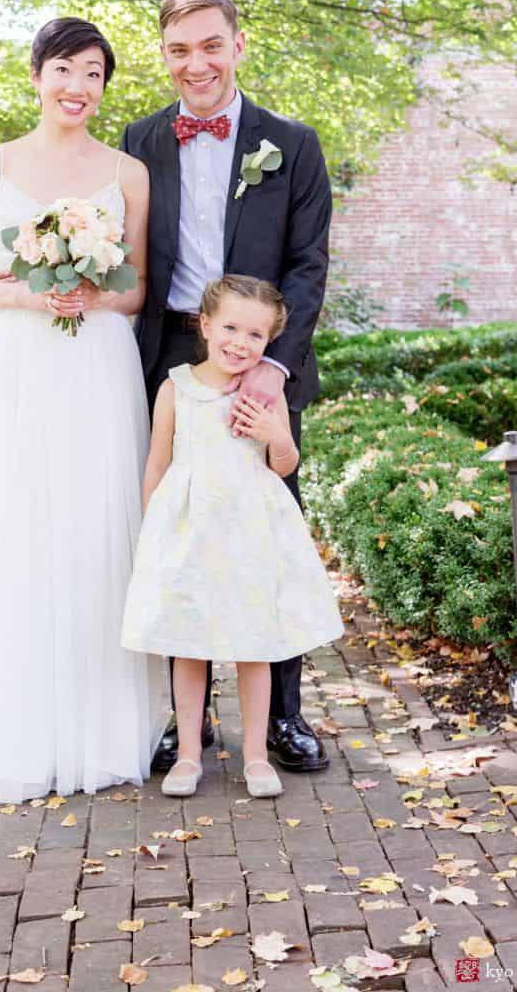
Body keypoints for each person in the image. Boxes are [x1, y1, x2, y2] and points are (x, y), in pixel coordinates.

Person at [0, 17, 168, 803]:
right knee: (19, 527)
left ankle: (106, 730)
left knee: (98, 531)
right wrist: (27, 291)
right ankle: (16, 730)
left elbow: (137, 289)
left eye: (94, 73)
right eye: (64, 68)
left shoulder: (128, 172)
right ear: (36, 74)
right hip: (20, 365)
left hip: (98, 364)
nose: (78, 87)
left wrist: (96, 290)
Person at [120, 0, 333, 773]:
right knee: (182, 535)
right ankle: (188, 723)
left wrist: (274, 368)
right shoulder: (139, 140)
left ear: (238, 45)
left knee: (262, 536)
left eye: (211, 45)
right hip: (170, 356)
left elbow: (307, 267)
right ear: (165, 55)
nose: (196, 62)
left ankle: (282, 718)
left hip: (258, 357)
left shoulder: (292, 143)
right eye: (179, 49)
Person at [121, 275, 343, 798]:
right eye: (231, 328)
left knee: (253, 644)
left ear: (269, 344)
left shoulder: (263, 394)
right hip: (190, 530)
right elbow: (158, 462)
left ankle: (256, 757)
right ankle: (190, 756)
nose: (240, 344)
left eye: (256, 336)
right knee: (190, 643)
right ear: (204, 325)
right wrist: (153, 530)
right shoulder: (176, 387)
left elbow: (284, 461)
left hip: (248, 530)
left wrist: (275, 435)